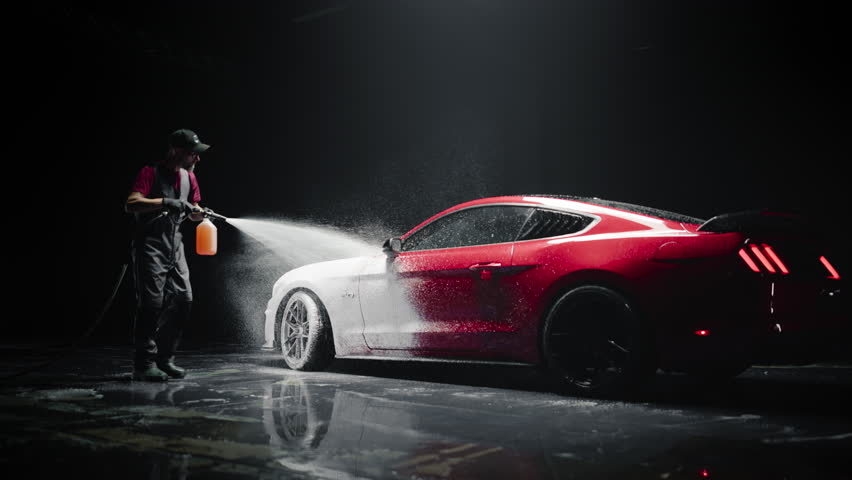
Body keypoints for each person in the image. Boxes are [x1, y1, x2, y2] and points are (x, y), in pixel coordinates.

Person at [124, 129, 210, 381]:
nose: (197, 159)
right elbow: (131, 203)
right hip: (150, 244)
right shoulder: (150, 172)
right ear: (176, 151)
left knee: (184, 300)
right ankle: (144, 364)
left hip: (175, 244)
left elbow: (193, 209)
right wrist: (164, 202)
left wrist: (199, 213)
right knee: (151, 305)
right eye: (193, 154)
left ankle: (165, 358)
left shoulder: (189, 178)